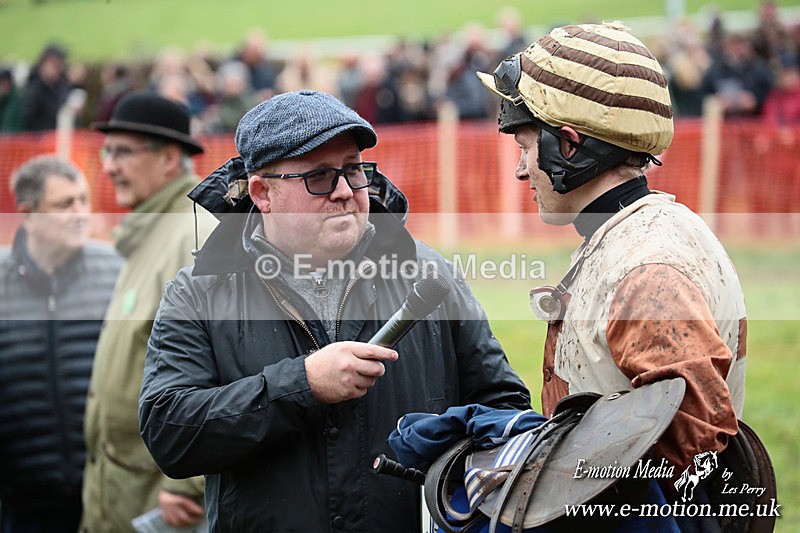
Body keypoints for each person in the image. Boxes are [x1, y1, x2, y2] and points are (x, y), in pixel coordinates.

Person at [138, 89, 531, 531]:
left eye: (353, 170)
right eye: (320, 177)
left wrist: (447, 471)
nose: (345, 191)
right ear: (262, 193)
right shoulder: (198, 294)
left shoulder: (431, 276)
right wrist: (301, 385)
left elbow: (504, 409)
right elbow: (169, 431)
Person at [477, 20, 746, 519]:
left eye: (525, 146)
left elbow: (696, 453)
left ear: (570, 146)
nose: (520, 170)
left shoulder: (645, 268)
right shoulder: (633, 233)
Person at [81, 91, 215, 532]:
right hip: (122, 490)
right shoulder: (151, 230)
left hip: (160, 503)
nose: (109, 166)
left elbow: (226, 363)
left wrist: (190, 481)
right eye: (107, 151)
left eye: (122, 152)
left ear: (170, 158)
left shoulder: (193, 233)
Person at [0, 155, 122, 532]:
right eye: (64, 204)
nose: (80, 213)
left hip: (109, 495)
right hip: (24, 502)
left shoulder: (116, 269)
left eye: (84, 200)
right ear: (28, 214)